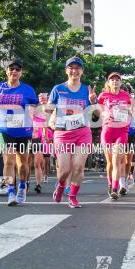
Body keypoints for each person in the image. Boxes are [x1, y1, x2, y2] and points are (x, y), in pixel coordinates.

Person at [0, 58, 40, 206]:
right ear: (6, 72)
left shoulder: (28, 89)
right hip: (5, 130)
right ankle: (10, 192)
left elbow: (35, 109)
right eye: (11, 69)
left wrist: (34, 111)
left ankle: (22, 186)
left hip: (24, 131)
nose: (14, 71)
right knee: (8, 160)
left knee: (23, 163)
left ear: (21, 73)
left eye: (17, 69)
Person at [48, 57, 98, 208]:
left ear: (82, 71)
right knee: (64, 170)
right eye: (71, 68)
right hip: (62, 133)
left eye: (78, 68)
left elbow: (96, 117)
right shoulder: (58, 89)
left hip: (82, 132)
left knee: (78, 168)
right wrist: (45, 103)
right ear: (66, 71)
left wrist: (94, 102)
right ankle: (61, 185)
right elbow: (48, 110)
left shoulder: (86, 91)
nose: (74, 71)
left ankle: (73, 196)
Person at [97, 72, 133, 200]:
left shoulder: (126, 95)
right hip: (107, 131)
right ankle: (110, 183)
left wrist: (128, 116)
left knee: (117, 160)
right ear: (108, 82)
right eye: (112, 79)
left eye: (117, 79)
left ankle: (114, 188)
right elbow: (97, 111)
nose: (115, 81)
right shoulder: (103, 95)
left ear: (121, 82)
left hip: (121, 132)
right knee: (110, 162)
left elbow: (130, 111)